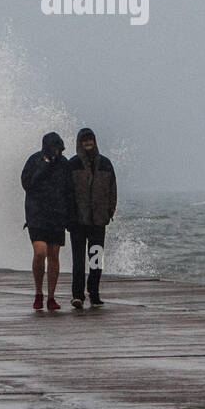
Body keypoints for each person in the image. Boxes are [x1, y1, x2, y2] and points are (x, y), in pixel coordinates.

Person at [21, 132, 74, 311]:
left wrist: (69, 216)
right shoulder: (34, 161)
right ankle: (38, 292)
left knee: (53, 256)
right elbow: (27, 184)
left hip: (57, 216)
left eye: (59, 149)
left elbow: (69, 191)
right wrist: (44, 167)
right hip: (36, 215)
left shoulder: (64, 164)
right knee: (40, 253)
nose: (56, 152)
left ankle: (51, 296)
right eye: (53, 149)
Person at [68, 127, 117, 308]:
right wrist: (69, 218)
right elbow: (66, 193)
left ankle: (94, 293)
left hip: (98, 221)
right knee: (78, 261)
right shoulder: (72, 164)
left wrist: (109, 212)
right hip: (78, 222)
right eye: (84, 140)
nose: (88, 143)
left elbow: (113, 190)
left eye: (90, 140)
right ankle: (78, 296)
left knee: (96, 260)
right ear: (79, 143)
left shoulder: (105, 164)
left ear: (95, 141)